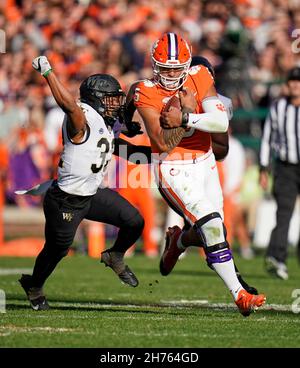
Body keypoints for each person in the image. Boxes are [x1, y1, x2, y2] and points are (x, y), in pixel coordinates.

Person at [134, 32, 266, 316]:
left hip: (205, 163)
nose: (170, 75)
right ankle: (240, 295)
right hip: (173, 167)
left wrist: (185, 117)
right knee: (213, 226)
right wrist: (188, 118)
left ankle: (178, 242)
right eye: (165, 68)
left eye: (175, 68)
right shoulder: (145, 90)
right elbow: (159, 143)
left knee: (214, 230)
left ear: (187, 64)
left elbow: (219, 123)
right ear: (155, 66)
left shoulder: (200, 75)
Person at [18, 56, 149, 310]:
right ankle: (34, 285)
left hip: (91, 195)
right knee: (57, 250)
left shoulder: (107, 123)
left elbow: (117, 146)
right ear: (97, 98)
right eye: (111, 99)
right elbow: (70, 106)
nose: (115, 104)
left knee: (134, 221)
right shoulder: (80, 117)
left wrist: (157, 157)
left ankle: (114, 255)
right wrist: (48, 73)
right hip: (66, 200)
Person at [259, 66, 300, 280]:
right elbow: (267, 139)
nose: (295, 85)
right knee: (284, 213)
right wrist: (263, 168)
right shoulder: (278, 107)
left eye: (298, 81)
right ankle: (277, 258)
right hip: (286, 167)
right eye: (292, 81)